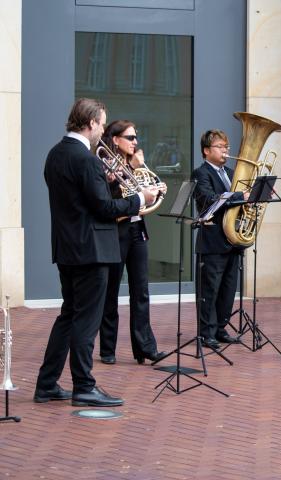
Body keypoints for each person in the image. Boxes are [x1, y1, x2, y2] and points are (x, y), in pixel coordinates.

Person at [34, 98, 159, 407]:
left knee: (68, 316)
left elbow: (79, 201)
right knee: (86, 321)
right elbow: (103, 208)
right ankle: (84, 386)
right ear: (90, 123)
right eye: (102, 123)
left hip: (67, 248)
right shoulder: (87, 159)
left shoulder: (55, 155)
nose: (103, 129)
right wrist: (139, 199)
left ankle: (47, 383)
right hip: (92, 250)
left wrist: (106, 183)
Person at [98, 120, 167, 365]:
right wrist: (127, 172)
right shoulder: (105, 164)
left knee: (141, 291)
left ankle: (145, 348)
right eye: (130, 137)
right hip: (116, 231)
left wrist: (155, 190)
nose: (135, 142)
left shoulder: (137, 166)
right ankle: (108, 349)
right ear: (115, 140)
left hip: (137, 231)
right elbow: (108, 200)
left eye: (136, 137)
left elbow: (142, 199)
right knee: (111, 292)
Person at [191, 129, 246, 349]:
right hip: (212, 241)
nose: (226, 151)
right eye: (220, 146)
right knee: (209, 289)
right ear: (206, 151)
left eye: (227, 147)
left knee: (228, 288)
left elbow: (242, 199)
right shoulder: (201, 173)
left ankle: (221, 327)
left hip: (232, 239)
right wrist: (241, 196)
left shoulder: (233, 173)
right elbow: (208, 199)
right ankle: (206, 332)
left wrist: (257, 195)